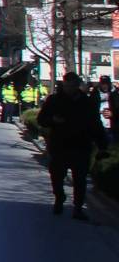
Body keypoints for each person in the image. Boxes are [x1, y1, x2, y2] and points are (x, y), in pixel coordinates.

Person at [36, 72, 109, 220]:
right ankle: (59, 197)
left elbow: (96, 124)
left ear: (77, 85)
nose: (70, 88)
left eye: (73, 85)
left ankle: (78, 208)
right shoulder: (55, 100)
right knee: (57, 176)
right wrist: (53, 120)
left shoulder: (86, 102)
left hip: (81, 145)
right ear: (64, 85)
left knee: (80, 179)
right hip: (60, 145)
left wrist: (102, 144)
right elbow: (42, 120)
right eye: (67, 85)